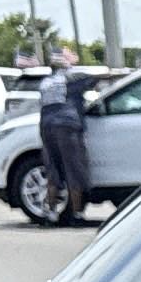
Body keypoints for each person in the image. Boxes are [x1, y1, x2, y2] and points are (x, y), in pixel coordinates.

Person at [33, 44, 93, 223]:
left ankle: (51, 214)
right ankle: (77, 215)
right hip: (67, 126)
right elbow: (97, 78)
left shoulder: (45, 83)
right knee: (73, 169)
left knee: (53, 170)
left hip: (46, 126)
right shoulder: (71, 80)